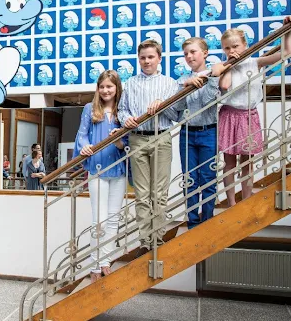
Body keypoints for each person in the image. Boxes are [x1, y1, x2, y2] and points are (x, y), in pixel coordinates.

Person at [218, 16, 291, 206]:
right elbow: (225, 86)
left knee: (247, 163)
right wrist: (229, 65)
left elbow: (287, 52)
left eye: (235, 46)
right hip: (229, 115)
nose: (232, 51)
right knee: (229, 163)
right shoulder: (223, 67)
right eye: (227, 48)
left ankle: (245, 200)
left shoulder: (255, 62)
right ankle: (231, 203)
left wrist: (287, 31)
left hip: (248, 116)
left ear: (245, 45)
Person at [117, 39, 181, 253]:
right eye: (143, 57)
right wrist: (125, 119)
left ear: (159, 58)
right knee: (142, 194)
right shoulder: (131, 83)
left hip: (161, 137)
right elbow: (122, 110)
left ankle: (158, 240)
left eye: (151, 57)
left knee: (159, 194)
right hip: (137, 138)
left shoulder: (170, 83)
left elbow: (176, 115)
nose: (146, 61)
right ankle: (146, 242)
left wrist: (163, 105)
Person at [73, 70, 127, 282]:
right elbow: (82, 135)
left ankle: (106, 261)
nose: (105, 90)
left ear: (116, 88)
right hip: (97, 170)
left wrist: (120, 142)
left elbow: (127, 142)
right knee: (100, 221)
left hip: (118, 170)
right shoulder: (89, 109)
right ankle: (94, 264)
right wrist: (85, 147)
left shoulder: (123, 111)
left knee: (113, 220)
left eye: (109, 87)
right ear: (98, 88)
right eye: (102, 86)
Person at [177, 38, 225, 229]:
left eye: (193, 52)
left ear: (205, 53)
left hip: (208, 132)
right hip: (187, 134)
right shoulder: (182, 80)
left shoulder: (215, 73)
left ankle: (206, 222)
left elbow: (207, 101)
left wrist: (212, 79)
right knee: (189, 180)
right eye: (186, 53)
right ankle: (192, 223)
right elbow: (177, 108)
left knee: (207, 179)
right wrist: (186, 86)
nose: (189, 56)